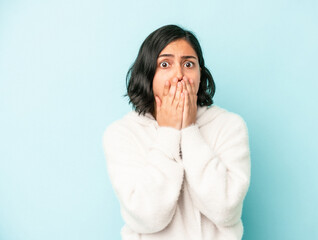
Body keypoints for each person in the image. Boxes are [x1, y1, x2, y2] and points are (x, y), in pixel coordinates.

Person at [102, 24, 251, 240]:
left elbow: (225, 209)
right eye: (165, 64)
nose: (179, 75)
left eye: (189, 64)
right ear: (148, 74)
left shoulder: (230, 126)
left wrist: (190, 130)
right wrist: (169, 131)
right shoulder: (122, 133)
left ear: (200, 74)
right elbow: (147, 216)